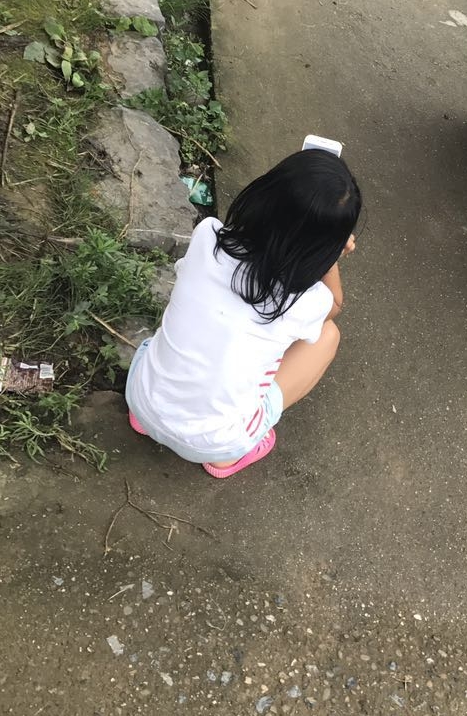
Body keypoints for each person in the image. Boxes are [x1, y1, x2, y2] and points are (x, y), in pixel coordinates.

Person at [126, 150, 362, 479]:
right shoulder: (304, 302)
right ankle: (226, 459)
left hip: (140, 398)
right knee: (327, 337)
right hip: (213, 444)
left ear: (264, 194)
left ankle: (150, 418)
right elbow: (334, 306)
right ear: (322, 248)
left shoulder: (208, 235)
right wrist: (330, 255)